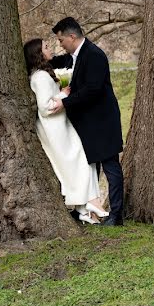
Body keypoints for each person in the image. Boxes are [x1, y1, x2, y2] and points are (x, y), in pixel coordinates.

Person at [48, 17, 125, 226]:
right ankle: (91, 210)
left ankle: (117, 215)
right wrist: (45, 60)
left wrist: (65, 102)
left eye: (61, 40)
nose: (61, 44)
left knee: (111, 167)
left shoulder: (94, 55)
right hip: (88, 125)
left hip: (102, 122)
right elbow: (63, 63)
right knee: (90, 169)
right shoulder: (76, 55)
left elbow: (93, 89)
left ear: (72, 37)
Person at [23, 38, 108, 224]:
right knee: (77, 165)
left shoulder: (44, 75)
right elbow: (45, 108)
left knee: (82, 162)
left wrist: (61, 91)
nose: (50, 49)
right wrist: (64, 95)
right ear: (37, 54)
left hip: (62, 126)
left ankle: (86, 209)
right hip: (55, 130)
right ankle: (90, 203)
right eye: (45, 47)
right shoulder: (40, 77)